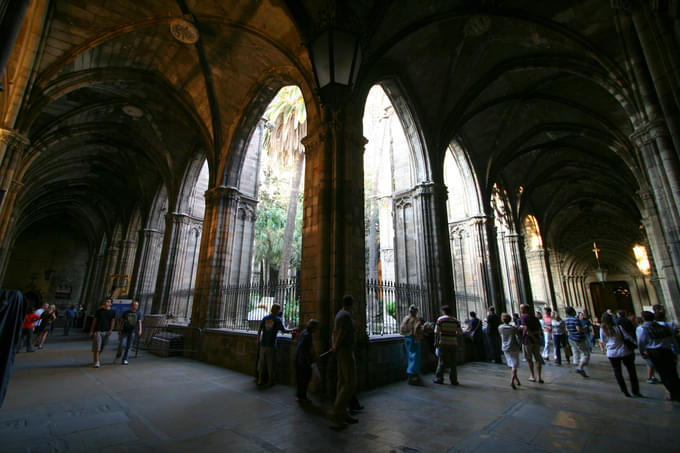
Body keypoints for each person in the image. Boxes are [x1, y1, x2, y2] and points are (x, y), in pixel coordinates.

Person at [638, 311, 680, 402]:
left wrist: (642, 352)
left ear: (643, 319)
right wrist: (676, 350)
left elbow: (641, 342)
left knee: (663, 373)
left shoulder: (644, 329)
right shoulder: (663, 326)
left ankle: (673, 393)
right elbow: (672, 339)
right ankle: (677, 390)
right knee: (673, 372)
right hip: (667, 351)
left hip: (655, 352)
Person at [599, 312, 641, 397]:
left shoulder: (602, 329)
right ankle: (635, 391)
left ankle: (624, 390)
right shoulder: (618, 327)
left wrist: (609, 344)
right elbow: (627, 337)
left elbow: (603, 341)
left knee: (617, 372)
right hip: (624, 351)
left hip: (612, 353)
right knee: (631, 371)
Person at [331, 295, 358, 427]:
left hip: (340, 350)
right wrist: (336, 345)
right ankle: (337, 412)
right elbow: (341, 332)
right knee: (350, 382)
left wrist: (334, 346)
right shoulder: (346, 316)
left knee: (341, 381)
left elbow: (334, 332)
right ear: (351, 303)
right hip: (346, 350)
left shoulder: (339, 314)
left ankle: (343, 412)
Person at [256, 303, 289, 386]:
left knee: (261, 362)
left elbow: (259, 329)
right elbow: (284, 331)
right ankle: (270, 381)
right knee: (271, 363)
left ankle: (259, 379)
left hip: (263, 343)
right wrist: (293, 330)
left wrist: (258, 340)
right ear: (277, 310)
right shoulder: (278, 319)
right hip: (271, 345)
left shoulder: (265, 318)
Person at [433, 305, 462, 385]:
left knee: (441, 361)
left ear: (443, 311)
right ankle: (454, 380)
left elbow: (436, 332)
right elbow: (460, 333)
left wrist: (436, 341)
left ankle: (439, 378)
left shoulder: (440, 319)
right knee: (453, 362)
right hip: (453, 343)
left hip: (443, 342)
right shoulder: (455, 320)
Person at [295, 319, 319, 402]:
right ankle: (303, 396)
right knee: (305, 378)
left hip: (299, 358)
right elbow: (304, 349)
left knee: (300, 378)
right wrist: (308, 359)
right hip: (303, 360)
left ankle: (300, 394)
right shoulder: (307, 336)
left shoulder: (304, 332)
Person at [400, 305, 424, 385]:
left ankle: (411, 377)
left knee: (410, 357)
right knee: (415, 358)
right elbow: (417, 330)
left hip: (406, 339)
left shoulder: (405, 318)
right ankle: (413, 377)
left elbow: (401, 329)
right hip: (414, 339)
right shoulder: (416, 320)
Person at [519, 304, 543, 383]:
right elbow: (539, 329)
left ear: (524, 309)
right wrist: (536, 338)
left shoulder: (523, 317)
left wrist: (532, 337)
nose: (520, 310)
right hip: (536, 340)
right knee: (538, 359)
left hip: (527, 340)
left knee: (529, 359)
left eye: (521, 309)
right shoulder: (535, 318)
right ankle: (539, 377)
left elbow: (527, 330)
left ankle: (532, 376)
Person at [89, 299, 115, 368]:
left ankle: (96, 357)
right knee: (97, 346)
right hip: (98, 331)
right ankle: (96, 362)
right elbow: (94, 321)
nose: (106, 302)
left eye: (108, 302)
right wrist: (91, 330)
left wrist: (111, 330)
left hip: (106, 331)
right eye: (105, 301)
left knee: (102, 346)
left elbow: (112, 321)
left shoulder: (112, 312)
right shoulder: (99, 311)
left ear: (111, 304)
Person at [115, 300, 143, 365]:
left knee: (129, 346)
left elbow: (139, 322)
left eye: (137, 305)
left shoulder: (138, 313)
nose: (135, 306)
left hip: (132, 331)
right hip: (124, 330)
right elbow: (121, 321)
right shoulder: (126, 313)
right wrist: (118, 329)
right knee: (121, 344)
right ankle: (119, 353)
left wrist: (140, 330)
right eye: (134, 305)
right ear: (131, 305)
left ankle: (125, 359)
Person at [499, 312, 521, 389]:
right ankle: (512, 381)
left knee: (511, 364)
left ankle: (517, 380)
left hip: (505, 347)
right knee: (514, 365)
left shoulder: (500, 327)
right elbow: (519, 335)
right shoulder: (512, 328)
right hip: (513, 347)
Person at [566, 307, 590, 377]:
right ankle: (580, 367)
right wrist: (585, 329)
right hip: (578, 338)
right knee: (585, 353)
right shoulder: (575, 319)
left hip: (571, 338)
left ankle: (576, 364)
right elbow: (579, 329)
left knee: (575, 351)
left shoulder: (566, 320)